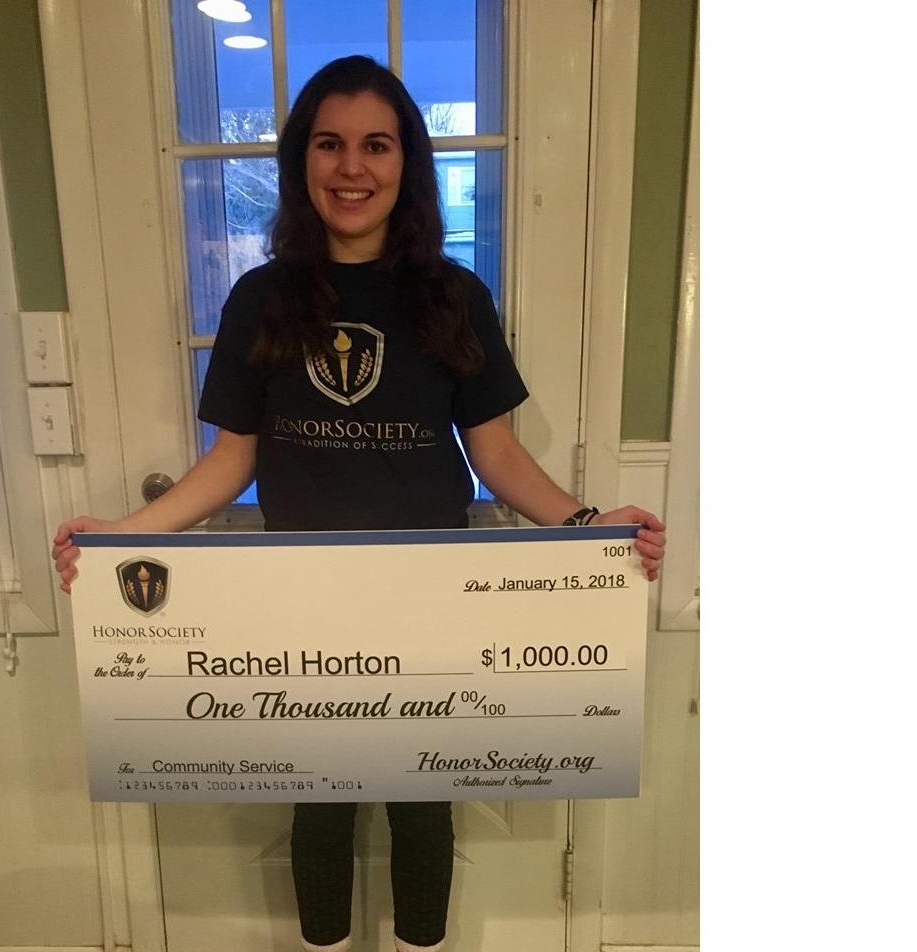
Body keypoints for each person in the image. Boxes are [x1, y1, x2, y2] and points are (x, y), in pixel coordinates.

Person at [52, 54, 667, 952]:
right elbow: (230, 461)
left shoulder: (454, 296)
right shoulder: (261, 299)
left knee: (424, 805)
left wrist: (586, 526)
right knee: (319, 804)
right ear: (301, 161)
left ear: (406, 162)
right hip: (305, 602)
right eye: (330, 144)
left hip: (430, 599)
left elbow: (496, 454)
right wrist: (121, 536)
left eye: (376, 145)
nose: (352, 167)